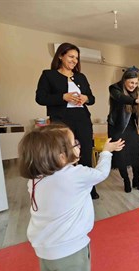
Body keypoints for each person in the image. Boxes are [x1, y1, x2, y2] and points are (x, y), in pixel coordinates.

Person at [18, 124, 125, 271]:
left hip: (44, 250)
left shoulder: (34, 180)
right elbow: (101, 173)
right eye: (75, 143)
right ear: (61, 156)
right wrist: (107, 152)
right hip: (70, 250)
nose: (78, 145)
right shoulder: (75, 175)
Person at [35, 42, 100, 199]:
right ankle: (65, 187)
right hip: (61, 121)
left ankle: (89, 188)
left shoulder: (80, 77)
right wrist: (62, 97)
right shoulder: (48, 75)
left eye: (76, 58)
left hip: (82, 118)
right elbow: (40, 98)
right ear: (60, 56)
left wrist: (86, 98)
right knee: (63, 154)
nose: (74, 60)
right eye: (71, 56)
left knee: (85, 151)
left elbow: (92, 98)